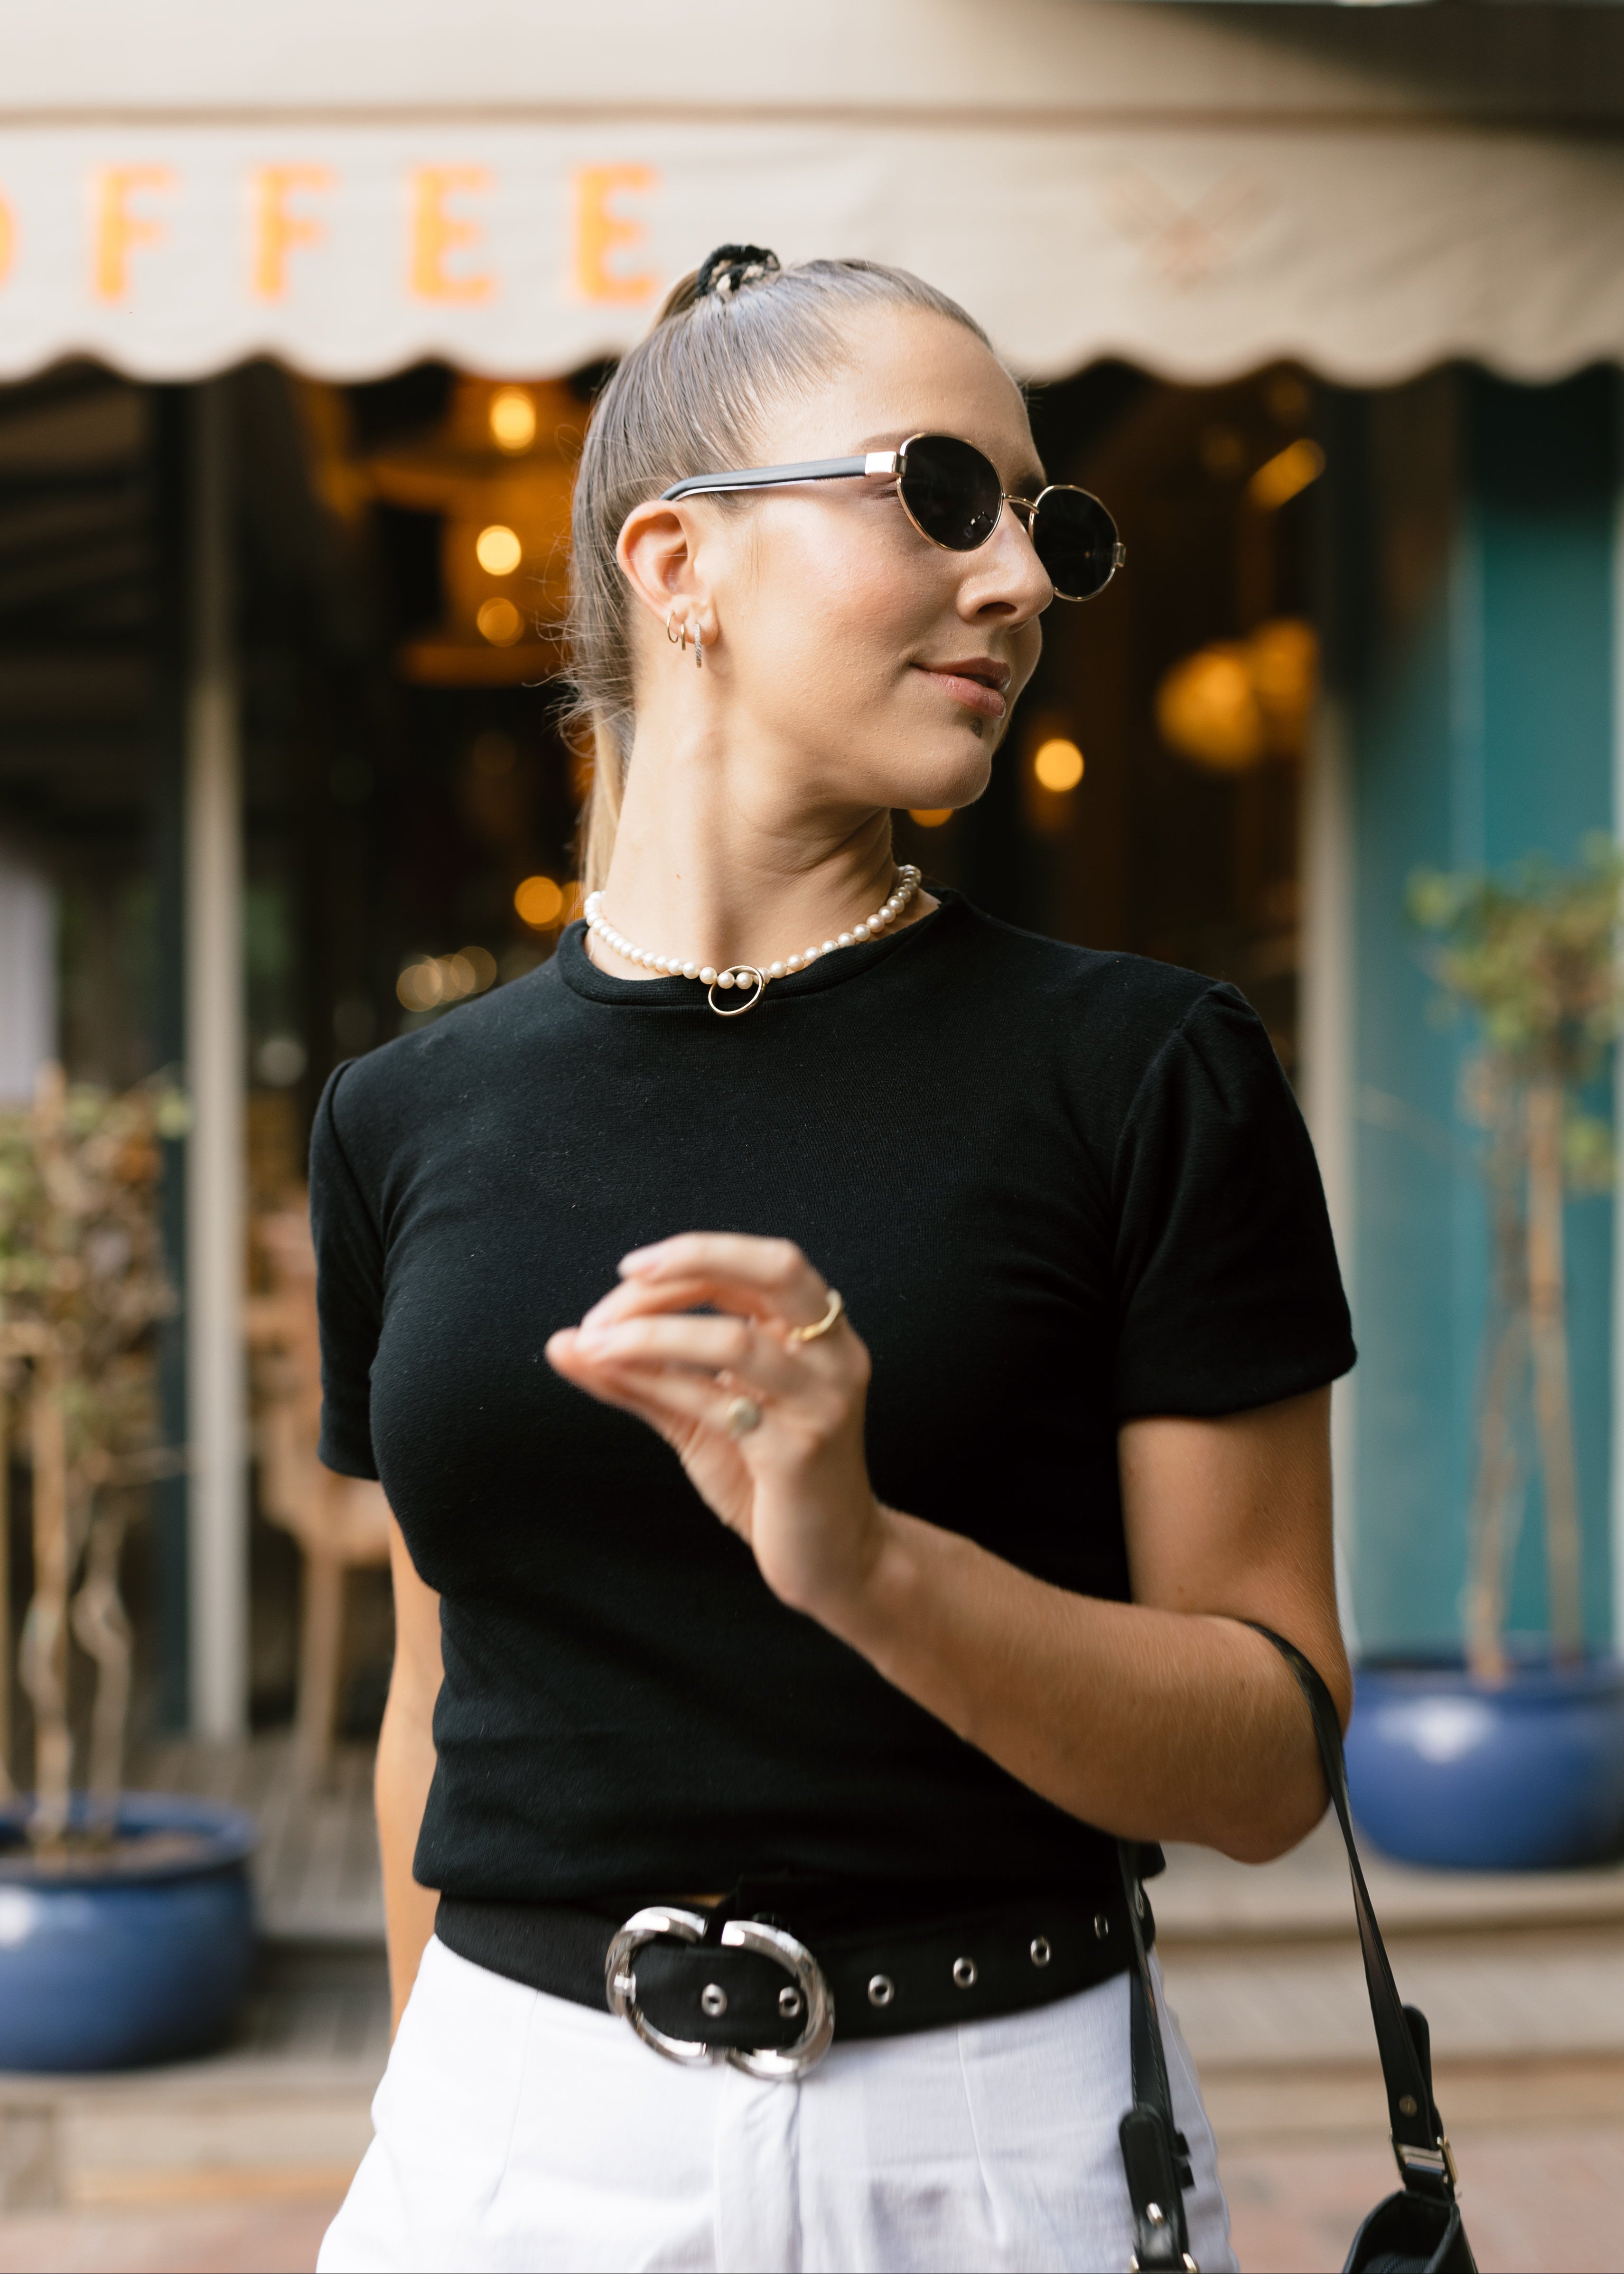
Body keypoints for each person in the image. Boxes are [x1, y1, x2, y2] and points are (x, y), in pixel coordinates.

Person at [314, 245, 1354, 2274]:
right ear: (676, 561)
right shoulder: (402, 1112)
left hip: (994, 2141)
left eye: (1046, 526)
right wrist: (430, 2117)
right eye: (943, 496)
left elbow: (1270, 1748)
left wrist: (871, 1566)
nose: (1025, 582)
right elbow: (435, 1700)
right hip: (506, 2135)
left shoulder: (1143, 1071)